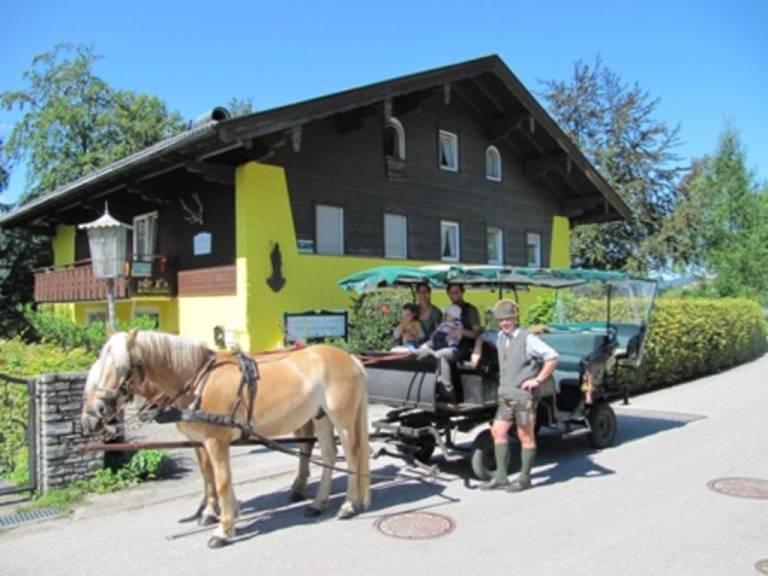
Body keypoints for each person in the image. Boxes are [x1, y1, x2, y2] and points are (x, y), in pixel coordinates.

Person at [480, 299, 559, 492]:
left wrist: (538, 380)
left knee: (525, 436)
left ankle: (525, 478)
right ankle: (501, 477)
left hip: (524, 398)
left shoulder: (527, 338)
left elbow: (552, 356)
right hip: (505, 397)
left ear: (515, 318)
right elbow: (481, 335)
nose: (505, 322)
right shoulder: (500, 337)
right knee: (498, 432)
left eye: (508, 318)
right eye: (501, 319)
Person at [417, 304, 463, 402]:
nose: (445, 316)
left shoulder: (456, 324)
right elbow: (435, 336)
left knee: (440, 354)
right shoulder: (443, 324)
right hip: (438, 345)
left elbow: (455, 335)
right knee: (425, 349)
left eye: (447, 315)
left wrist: (450, 333)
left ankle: (447, 388)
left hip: (451, 349)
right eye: (446, 315)